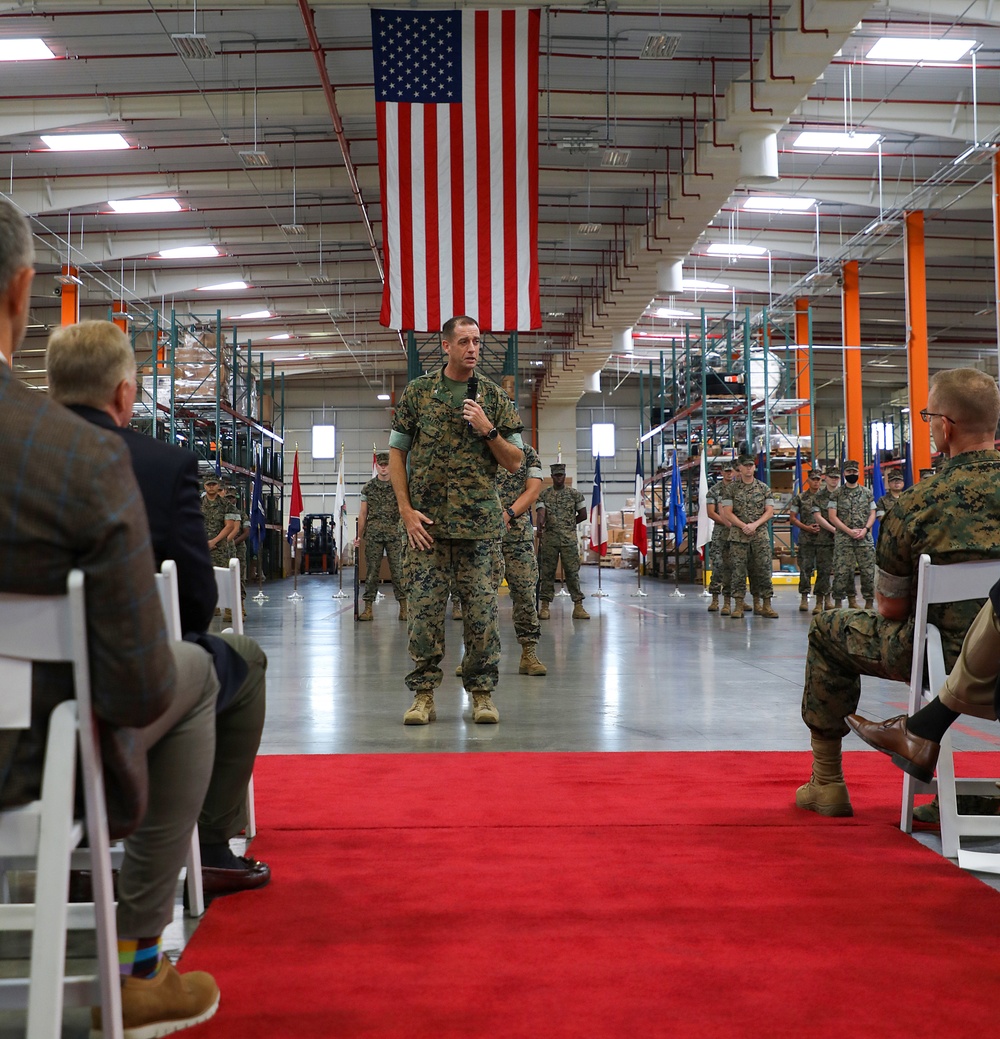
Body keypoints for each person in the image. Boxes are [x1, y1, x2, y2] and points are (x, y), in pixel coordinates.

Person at [0, 199, 220, 1036]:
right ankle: (133, 962)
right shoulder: (76, 459)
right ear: (23, 294)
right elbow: (133, 683)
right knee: (192, 679)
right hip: (27, 765)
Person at [46, 319, 270, 903]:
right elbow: (196, 599)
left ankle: (68, 852)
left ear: (51, 388)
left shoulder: (20, 457)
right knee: (238, 658)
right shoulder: (161, 465)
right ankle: (211, 847)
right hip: (125, 693)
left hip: (22, 703)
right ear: (125, 392)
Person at [796, 368, 1000, 818]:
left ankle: (827, 782)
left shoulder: (915, 504)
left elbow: (890, 606)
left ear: (946, 425)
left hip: (938, 657)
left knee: (828, 629)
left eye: (927, 415)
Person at [389, 315, 524, 726]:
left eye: (477, 342)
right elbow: (397, 454)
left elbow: (516, 462)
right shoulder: (418, 393)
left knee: (482, 615)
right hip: (426, 529)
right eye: (464, 341)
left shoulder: (494, 399)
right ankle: (423, 696)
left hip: (479, 529)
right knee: (424, 615)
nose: (472, 348)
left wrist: (488, 430)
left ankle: (482, 694)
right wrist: (405, 511)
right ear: (445, 346)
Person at [846, 578, 1000, 816]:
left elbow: (890, 606)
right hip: (976, 660)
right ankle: (924, 727)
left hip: (935, 652)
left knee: (823, 632)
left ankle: (826, 783)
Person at [496, 441, 547, 675]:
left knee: (525, 595)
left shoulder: (527, 452)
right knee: (478, 599)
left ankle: (529, 652)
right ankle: (476, 656)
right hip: (482, 536)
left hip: (518, 536)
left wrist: (507, 515)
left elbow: (533, 490)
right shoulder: (476, 446)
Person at [719, 454, 778, 620]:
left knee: (763, 570)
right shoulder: (731, 489)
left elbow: (769, 511)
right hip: (739, 536)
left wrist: (754, 525)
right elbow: (727, 513)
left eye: (751, 465)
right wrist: (743, 525)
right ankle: (738, 605)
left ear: (754, 467)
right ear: (740, 468)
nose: (748, 468)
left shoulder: (764, 488)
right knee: (738, 572)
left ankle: (765, 604)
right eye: (745, 466)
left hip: (759, 536)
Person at [354, 450, 406, 622]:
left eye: (386, 465)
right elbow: (363, 514)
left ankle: (404, 608)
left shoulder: (398, 485)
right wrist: (358, 536)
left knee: (398, 572)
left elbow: (405, 509)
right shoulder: (368, 488)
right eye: (381, 465)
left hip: (395, 534)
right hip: (374, 534)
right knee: (371, 573)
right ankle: (368, 608)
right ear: (376, 466)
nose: (384, 469)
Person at [536, 463, 590, 620]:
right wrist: (541, 522)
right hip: (550, 540)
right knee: (547, 574)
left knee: (573, 573)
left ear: (564, 476)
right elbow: (540, 512)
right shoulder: (544, 495)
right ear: (552, 476)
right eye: (556, 475)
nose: (559, 478)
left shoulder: (575, 494)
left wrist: (569, 524)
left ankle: (578, 606)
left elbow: (583, 514)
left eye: (561, 475)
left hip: (569, 540)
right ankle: (545, 606)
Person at [828, 459, 876, 609]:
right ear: (844, 474)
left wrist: (865, 529)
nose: (852, 474)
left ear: (859, 473)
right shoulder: (836, 494)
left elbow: (873, 513)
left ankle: (869, 603)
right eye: (849, 472)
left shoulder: (867, 493)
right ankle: (838, 604)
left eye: (854, 472)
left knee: (868, 572)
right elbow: (832, 516)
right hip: (844, 539)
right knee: (842, 572)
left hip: (864, 539)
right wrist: (848, 531)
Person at [788, 467, 824, 614]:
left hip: (824, 539)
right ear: (808, 480)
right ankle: (804, 597)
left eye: (818, 479)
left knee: (824, 570)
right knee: (805, 569)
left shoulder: (827, 497)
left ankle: (822, 600)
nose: (816, 482)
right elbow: (792, 518)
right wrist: (806, 528)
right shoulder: (800, 498)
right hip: (806, 539)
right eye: (813, 479)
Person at [705, 461, 734, 614]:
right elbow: (711, 512)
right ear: (722, 473)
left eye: (731, 471)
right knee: (718, 565)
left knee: (734, 567)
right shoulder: (714, 491)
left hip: (736, 532)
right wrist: (727, 522)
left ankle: (729, 601)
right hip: (720, 533)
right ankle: (715, 598)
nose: (729, 474)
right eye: (726, 471)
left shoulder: (739, 489)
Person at [810, 466, 840, 609]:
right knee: (823, 571)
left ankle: (838, 600)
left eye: (836, 477)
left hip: (843, 539)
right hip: (824, 538)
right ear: (825, 478)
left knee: (842, 571)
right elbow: (818, 517)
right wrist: (834, 529)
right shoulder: (818, 496)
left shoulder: (844, 495)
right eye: (831, 477)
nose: (834, 480)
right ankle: (820, 601)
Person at [225, 482, 251, 619]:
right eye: (228, 498)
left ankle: (241, 606)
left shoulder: (242, 514)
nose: (230, 500)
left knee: (239, 577)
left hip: (238, 549)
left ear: (236, 499)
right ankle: (225, 608)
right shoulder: (222, 513)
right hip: (223, 549)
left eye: (232, 498)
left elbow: (246, 533)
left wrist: (233, 543)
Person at [874, 468, 906, 539]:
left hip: (906, 535)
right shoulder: (882, 500)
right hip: (889, 536)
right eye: (893, 480)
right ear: (888, 483)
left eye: (899, 480)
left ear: (903, 483)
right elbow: (882, 519)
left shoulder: (909, 498)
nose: (897, 482)